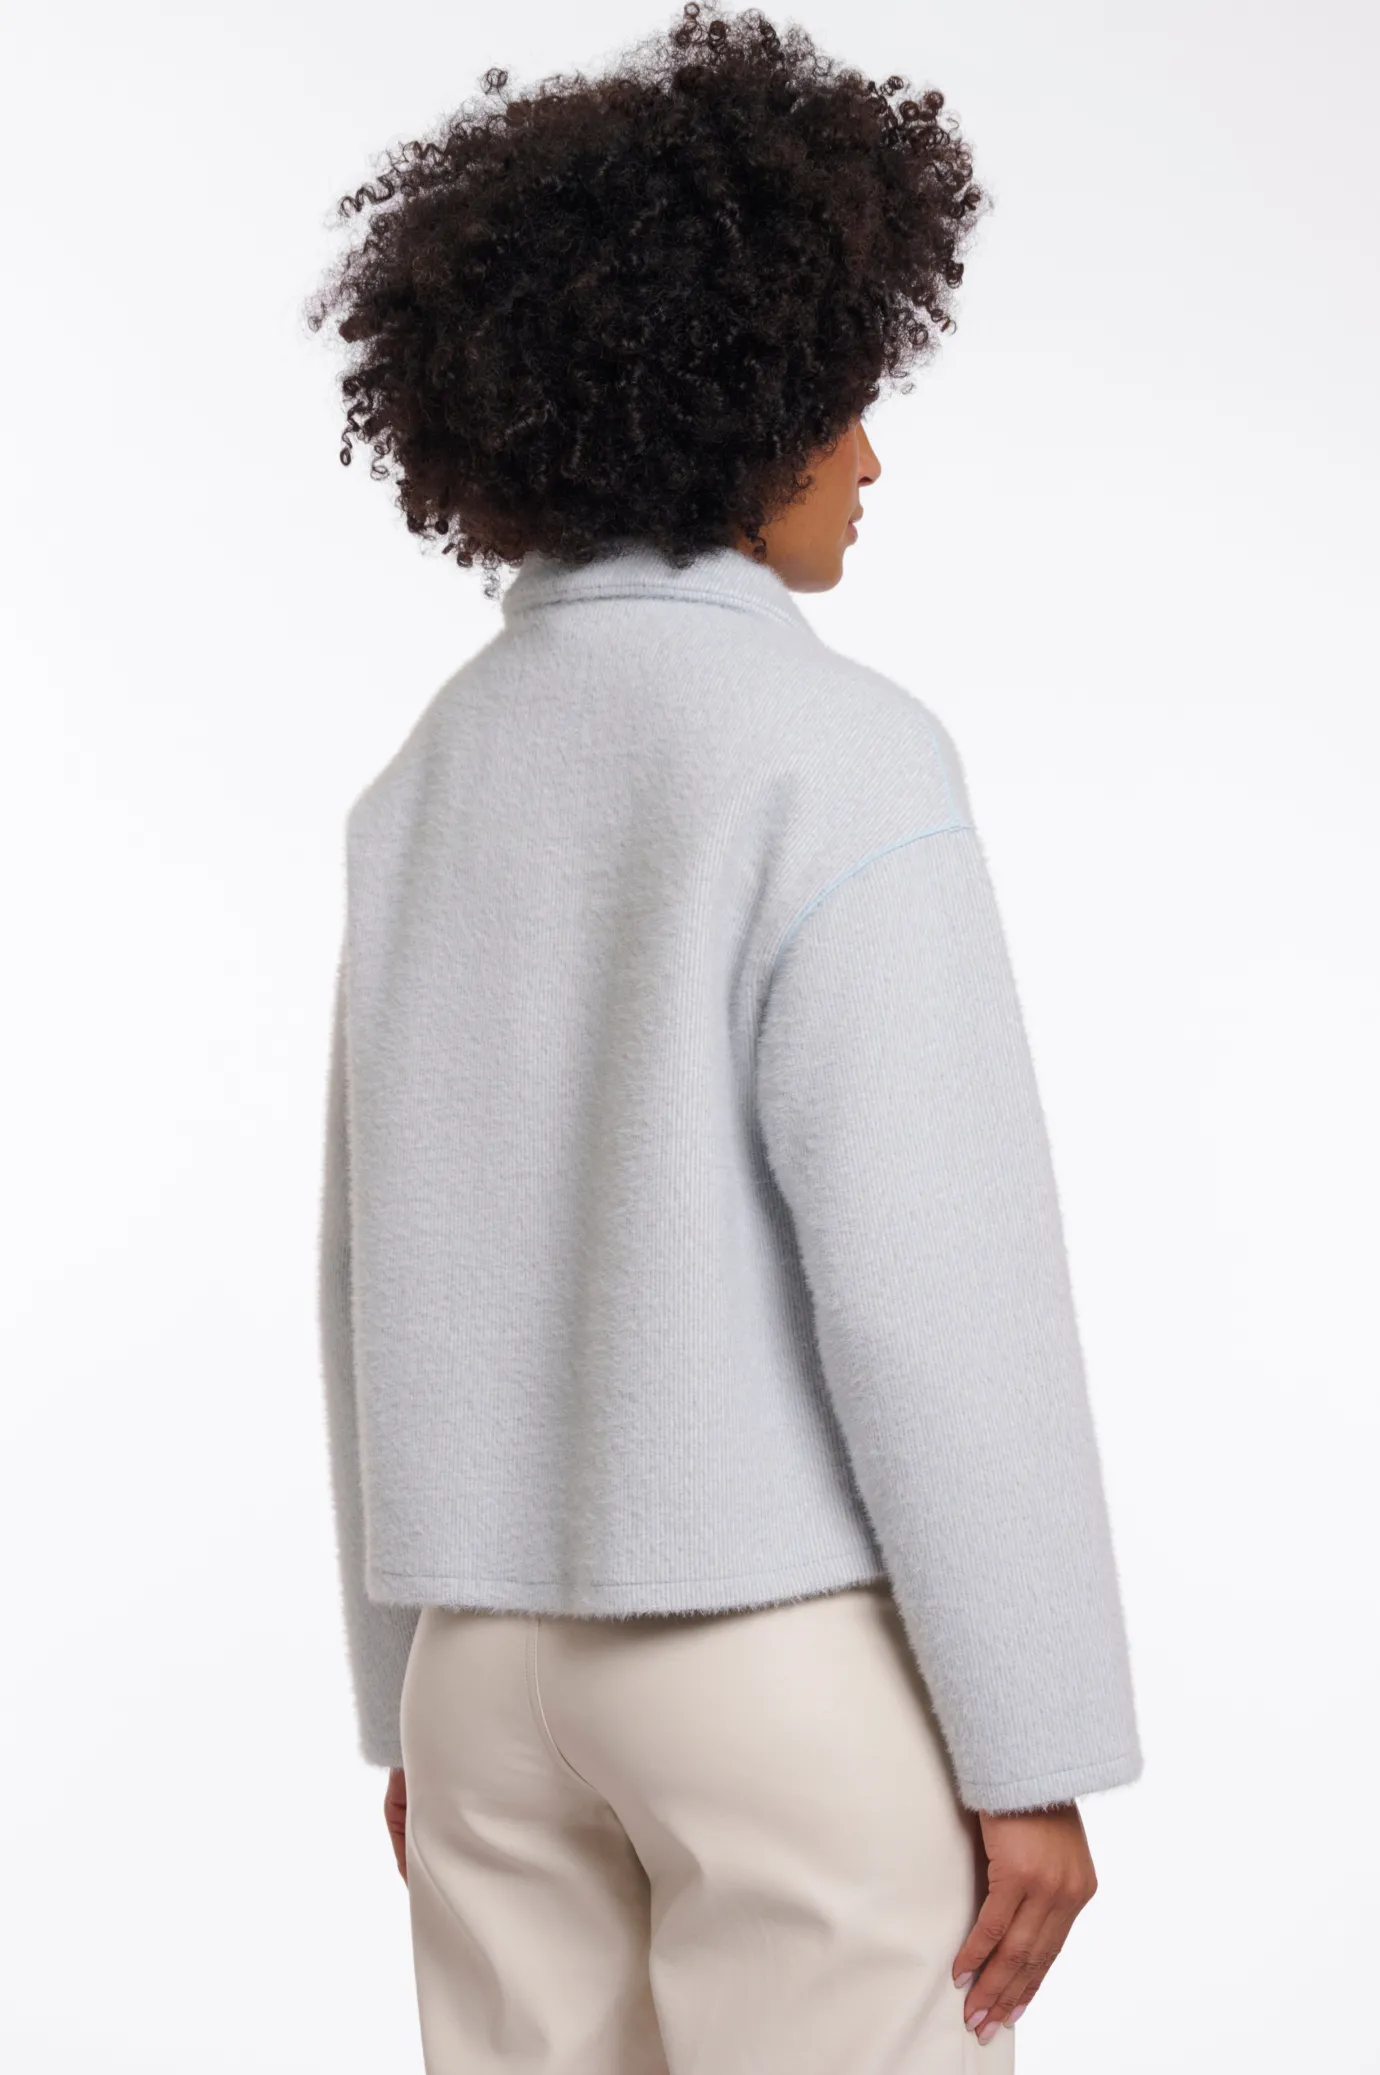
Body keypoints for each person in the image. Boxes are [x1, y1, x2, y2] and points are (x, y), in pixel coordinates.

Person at [305, 4, 1142, 2067]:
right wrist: (1032, 1739)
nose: (870, 457)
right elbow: (934, 1278)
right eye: (842, 403)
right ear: (734, 408)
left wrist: (403, 1686)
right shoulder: (833, 754)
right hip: (771, 1664)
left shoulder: (430, 771)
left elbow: (365, 1267)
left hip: (483, 1669)